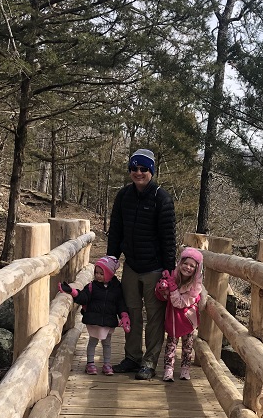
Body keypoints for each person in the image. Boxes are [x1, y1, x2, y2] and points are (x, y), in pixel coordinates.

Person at [107, 148, 176, 380]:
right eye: (134, 168)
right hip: (131, 266)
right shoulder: (123, 196)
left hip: (155, 268)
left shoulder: (162, 198)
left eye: (143, 169)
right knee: (131, 314)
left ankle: (149, 362)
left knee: (155, 318)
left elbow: (168, 238)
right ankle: (132, 357)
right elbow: (115, 230)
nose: (138, 172)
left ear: (151, 171)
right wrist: (111, 258)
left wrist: (169, 268)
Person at [59, 255, 130, 375]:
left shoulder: (116, 288)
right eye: (96, 273)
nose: (98, 276)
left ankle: (107, 364)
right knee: (93, 342)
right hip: (94, 320)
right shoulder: (92, 286)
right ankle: (90, 363)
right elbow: (84, 297)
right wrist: (73, 292)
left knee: (107, 343)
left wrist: (124, 315)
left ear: (110, 274)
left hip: (108, 320)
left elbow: (120, 303)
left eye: (101, 274)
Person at [155, 247, 205, 382]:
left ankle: (185, 369)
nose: (188, 267)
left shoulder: (195, 287)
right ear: (180, 263)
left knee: (187, 346)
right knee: (171, 344)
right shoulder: (173, 277)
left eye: (192, 266)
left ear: (196, 269)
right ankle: (168, 369)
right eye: (185, 263)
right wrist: (163, 289)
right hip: (173, 318)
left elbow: (179, 303)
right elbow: (164, 297)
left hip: (187, 319)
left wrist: (172, 288)